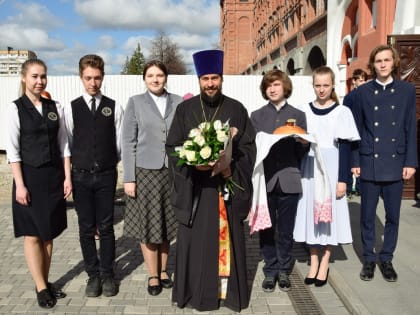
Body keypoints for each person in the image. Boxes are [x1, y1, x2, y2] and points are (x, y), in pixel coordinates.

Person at [166, 49, 256, 312]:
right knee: (197, 245)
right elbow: (173, 146)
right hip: (196, 191)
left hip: (225, 190)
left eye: (214, 77)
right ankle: (198, 294)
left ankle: (227, 295)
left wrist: (229, 169)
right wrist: (193, 162)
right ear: (198, 80)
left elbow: (249, 148)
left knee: (225, 242)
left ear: (221, 78)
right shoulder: (185, 110)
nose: (210, 83)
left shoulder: (236, 109)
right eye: (205, 78)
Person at [5, 59, 71, 308]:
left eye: (43, 76)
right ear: (24, 78)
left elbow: (63, 144)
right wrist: (20, 185)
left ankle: (43, 279)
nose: (39, 81)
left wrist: (67, 177)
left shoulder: (55, 107)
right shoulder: (15, 109)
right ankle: (42, 287)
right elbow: (12, 151)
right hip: (29, 178)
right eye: (34, 76)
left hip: (53, 177)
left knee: (49, 234)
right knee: (32, 235)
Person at [351, 45, 417, 282]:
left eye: (386, 60)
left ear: (394, 62)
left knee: (393, 217)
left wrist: (411, 161)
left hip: (396, 162)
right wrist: (355, 160)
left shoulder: (407, 91)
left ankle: (386, 258)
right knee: (367, 217)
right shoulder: (362, 92)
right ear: (373, 65)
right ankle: (369, 259)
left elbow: (410, 127)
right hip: (370, 162)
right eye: (378, 60)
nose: (382, 64)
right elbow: (356, 129)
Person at [294, 66, 360, 287]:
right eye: (317, 85)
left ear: (333, 85)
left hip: (332, 167)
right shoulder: (303, 110)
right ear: (312, 86)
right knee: (311, 213)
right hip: (310, 166)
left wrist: (343, 180)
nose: (321, 90)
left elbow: (345, 148)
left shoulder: (342, 112)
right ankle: (313, 259)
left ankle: (325, 260)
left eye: (325, 85)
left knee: (331, 214)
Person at [121, 60, 182, 296]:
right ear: (144, 79)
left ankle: (164, 270)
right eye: (150, 76)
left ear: (166, 77)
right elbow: (128, 141)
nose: (155, 79)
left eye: (159, 75)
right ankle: (153, 274)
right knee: (149, 225)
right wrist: (129, 178)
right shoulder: (136, 103)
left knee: (166, 224)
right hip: (145, 172)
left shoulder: (178, 102)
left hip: (173, 172)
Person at [64, 54, 123, 297]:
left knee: (107, 227)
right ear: (81, 77)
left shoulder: (114, 106)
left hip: (106, 176)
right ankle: (93, 275)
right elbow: (67, 143)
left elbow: (119, 143)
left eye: (97, 78)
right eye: (88, 78)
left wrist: (108, 162)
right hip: (80, 176)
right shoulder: (72, 107)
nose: (93, 83)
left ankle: (108, 274)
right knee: (86, 228)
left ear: (103, 77)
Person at [250, 69, 308, 292]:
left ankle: (284, 269)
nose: (272, 89)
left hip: (289, 178)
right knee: (266, 228)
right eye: (268, 86)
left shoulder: (298, 114)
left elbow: (303, 150)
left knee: (286, 229)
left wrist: (302, 144)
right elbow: (252, 149)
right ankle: (270, 270)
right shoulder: (256, 116)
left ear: (285, 87)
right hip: (265, 180)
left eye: (276, 85)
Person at [343, 69, 368, 197]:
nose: (363, 82)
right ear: (354, 81)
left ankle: (355, 187)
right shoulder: (351, 97)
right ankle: (352, 187)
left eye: (364, 80)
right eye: (360, 80)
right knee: (351, 160)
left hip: (361, 133)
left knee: (358, 161)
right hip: (353, 133)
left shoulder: (350, 96)